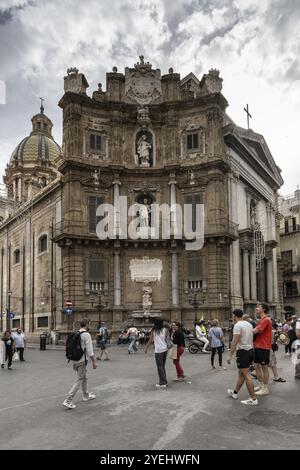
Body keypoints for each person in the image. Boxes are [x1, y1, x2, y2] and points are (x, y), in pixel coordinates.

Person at [63, 319, 97, 409]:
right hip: (81, 360)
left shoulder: (76, 333)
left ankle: (86, 395)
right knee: (80, 379)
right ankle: (68, 400)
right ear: (87, 325)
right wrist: (94, 362)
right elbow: (90, 351)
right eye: (89, 324)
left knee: (84, 377)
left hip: (75, 360)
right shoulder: (86, 335)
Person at [227, 309, 257, 405]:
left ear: (235, 316)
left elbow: (234, 341)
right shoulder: (249, 324)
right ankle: (235, 392)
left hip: (243, 351)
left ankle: (253, 399)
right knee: (242, 373)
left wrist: (230, 355)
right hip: (250, 350)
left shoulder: (237, 325)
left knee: (246, 375)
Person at [252, 303, 273, 396]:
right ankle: (261, 385)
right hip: (258, 345)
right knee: (256, 366)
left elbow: (255, 331)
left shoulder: (266, 320)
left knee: (264, 367)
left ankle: (265, 388)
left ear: (263, 309)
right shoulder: (261, 319)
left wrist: (243, 331)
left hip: (263, 346)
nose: (256, 308)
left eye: (258, 307)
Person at [145, 317, 168, 389]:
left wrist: (146, 348)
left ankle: (163, 383)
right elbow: (167, 338)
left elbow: (150, 340)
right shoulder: (165, 330)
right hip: (165, 350)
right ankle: (164, 381)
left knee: (160, 367)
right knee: (162, 366)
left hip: (158, 351)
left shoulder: (154, 330)